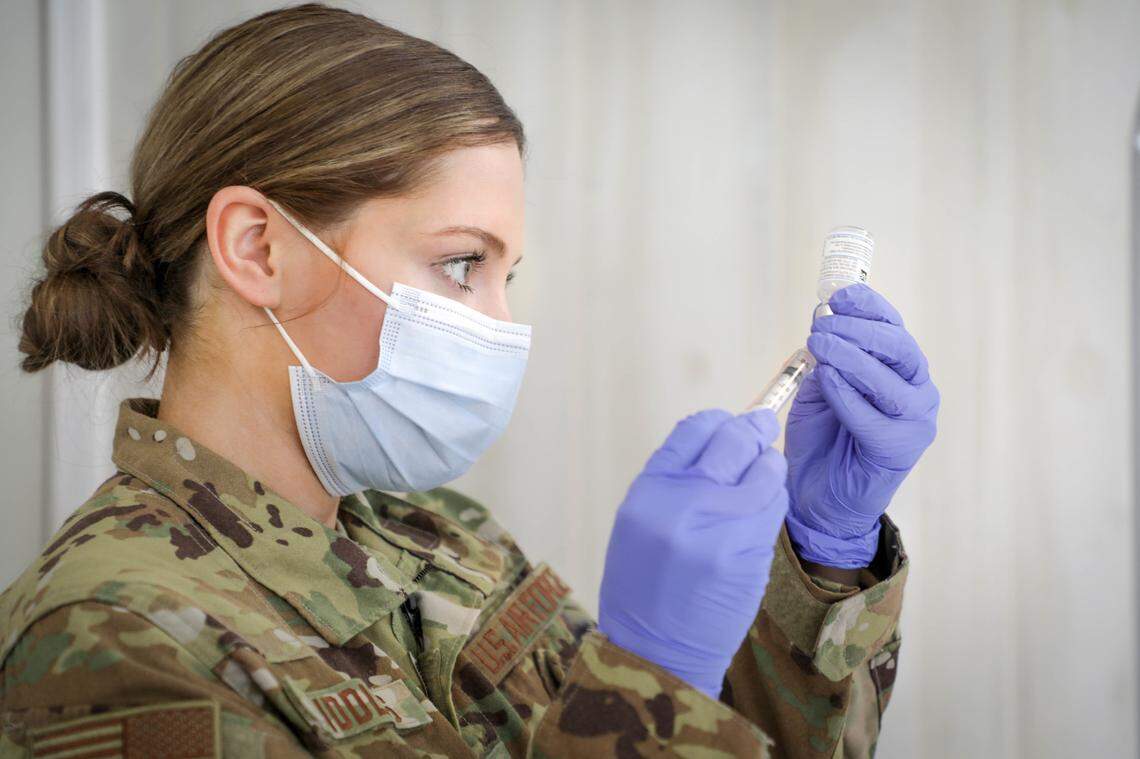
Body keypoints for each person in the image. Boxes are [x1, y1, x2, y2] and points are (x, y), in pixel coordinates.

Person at [0, 4, 939, 757]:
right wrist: (643, 674)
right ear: (259, 248)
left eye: (507, 275)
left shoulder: (446, 539)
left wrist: (823, 551)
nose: (498, 323)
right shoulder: (113, 641)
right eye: (460, 263)